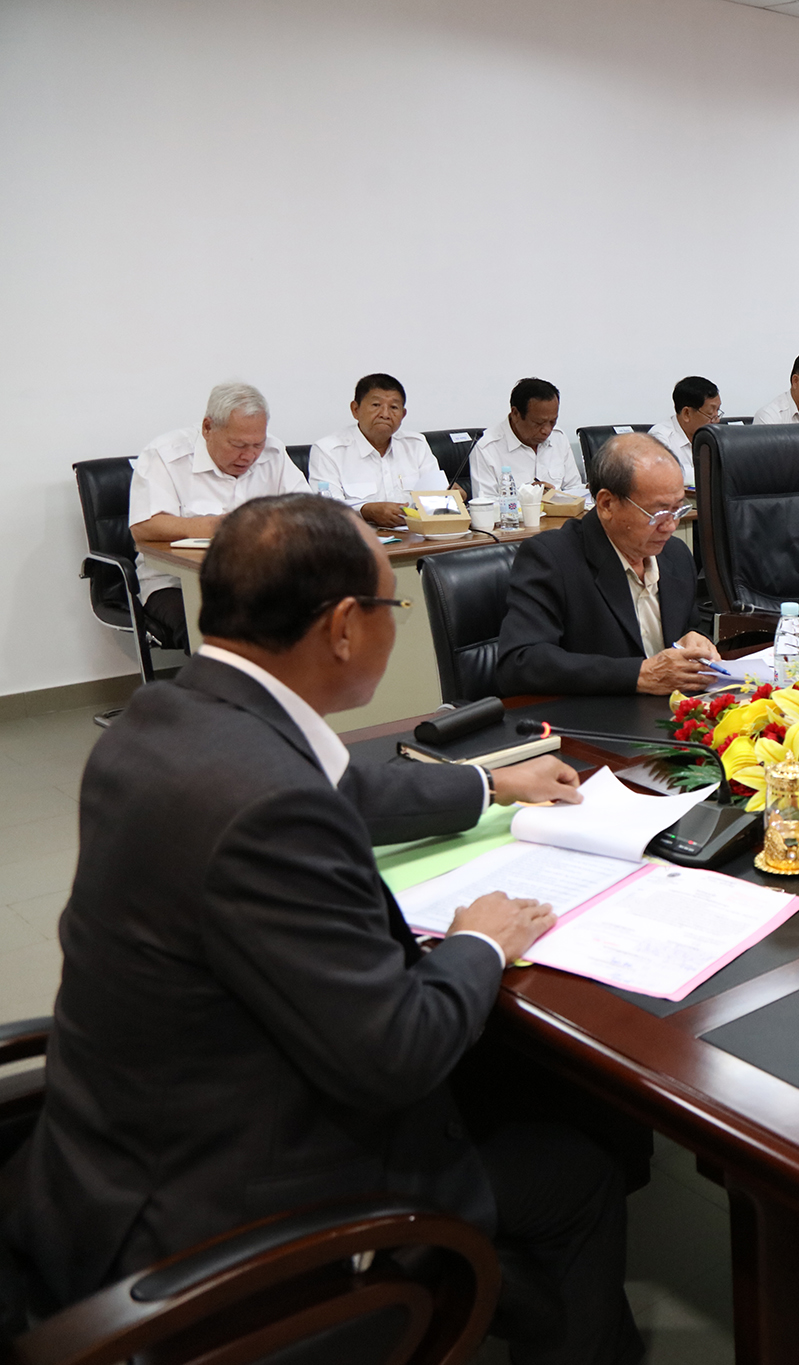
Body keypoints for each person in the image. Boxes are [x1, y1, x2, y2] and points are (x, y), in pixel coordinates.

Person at [9, 492, 643, 1364]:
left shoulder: (169, 716)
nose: (394, 623)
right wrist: (479, 942)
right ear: (345, 626)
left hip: (105, 1157)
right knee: (576, 1171)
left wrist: (490, 784)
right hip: (225, 1217)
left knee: (517, 1085)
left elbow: (341, 786)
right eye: (391, 606)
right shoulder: (269, 808)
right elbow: (398, 1049)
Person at [497, 433, 719, 696]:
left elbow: (687, 628)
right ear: (606, 504)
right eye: (658, 513)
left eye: (678, 509)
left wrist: (696, 639)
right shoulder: (552, 558)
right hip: (596, 713)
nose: (670, 526)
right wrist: (638, 674)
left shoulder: (675, 555)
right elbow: (520, 662)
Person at [129, 380, 311, 651]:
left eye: (257, 444)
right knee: (221, 637)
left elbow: (310, 511)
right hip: (177, 583)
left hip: (262, 580)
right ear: (208, 428)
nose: (249, 456)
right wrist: (211, 526)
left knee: (318, 621)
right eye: (238, 445)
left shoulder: (273, 453)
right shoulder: (165, 456)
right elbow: (144, 527)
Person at [308, 373, 444, 529]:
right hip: (358, 538)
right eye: (376, 405)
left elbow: (436, 499)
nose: (385, 414)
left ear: (403, 414)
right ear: (355, 409)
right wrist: (366, 511)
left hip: (416, 535)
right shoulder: (328, 450)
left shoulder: (416, 445)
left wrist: (450, 498)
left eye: (394, 407)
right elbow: (326, 509)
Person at [469, 378, 588, 500]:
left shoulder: (558, 437)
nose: (547, 430)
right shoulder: (486, 448)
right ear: (515, 414)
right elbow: (484, 505)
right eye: (538, 423)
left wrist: (587, 489)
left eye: (553, 421)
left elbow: (573, 489)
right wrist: (527, 497)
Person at [647, 376, 721, 486]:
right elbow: (664, 474)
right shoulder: (660, 437)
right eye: (710, 414)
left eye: (718, 411)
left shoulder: (716, 435)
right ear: (687, 413)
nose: (717, 420)